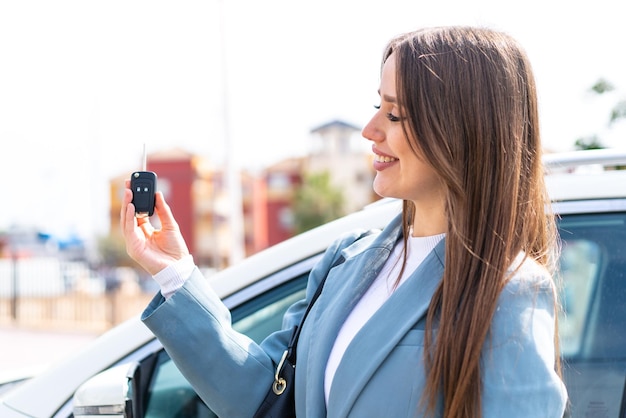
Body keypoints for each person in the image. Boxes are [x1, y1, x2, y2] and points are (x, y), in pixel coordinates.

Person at [121, 26, 568, 417]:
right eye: (377, 106)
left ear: (462, 129)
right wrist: (174, 272)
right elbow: (263, 399)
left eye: (394, 114)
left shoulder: (509, 290)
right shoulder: (348, 260)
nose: (370, 129)